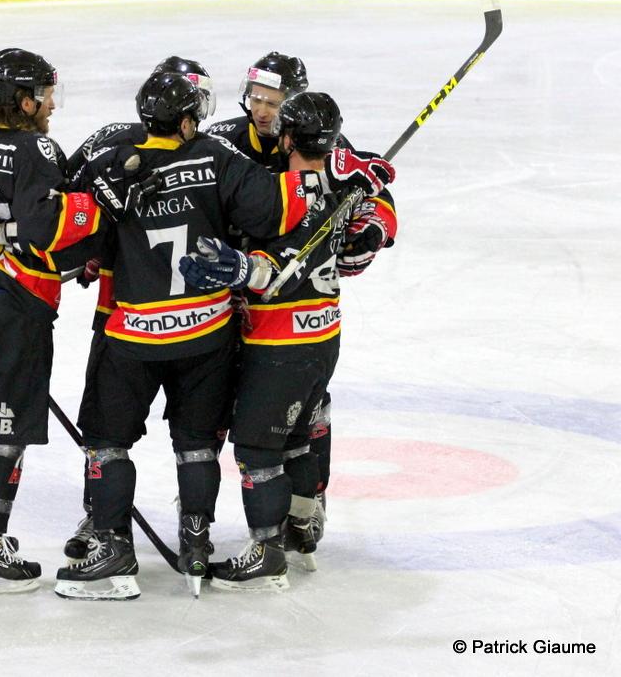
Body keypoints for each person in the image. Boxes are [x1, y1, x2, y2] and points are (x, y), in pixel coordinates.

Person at [54, 73, 392, 600]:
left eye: (273, 102)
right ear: (191, 119)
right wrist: (346, 186)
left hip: (142, 333)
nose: (263, 109)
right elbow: (283, 206)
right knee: (217, 441)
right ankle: (202, 540)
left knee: (111, 441)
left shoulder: (110, 159)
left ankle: (114, 541)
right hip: (222, 332)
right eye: (257, 99)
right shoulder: (221, 153)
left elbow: (62, 237)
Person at [180, 91, 394, 590]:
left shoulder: (284, 195)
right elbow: (348, 257)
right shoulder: (341, 190)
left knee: (257, 447)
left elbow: (273, 275)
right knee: (296, 438)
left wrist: (236, 267)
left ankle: (266, 552)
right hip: (323, 336)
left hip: (280, 343)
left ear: (288, 138)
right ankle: (301, 530)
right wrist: (368, 215)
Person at [0, 48, 105, 594]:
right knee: (4, 435)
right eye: (46, 95)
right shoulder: (37, 149)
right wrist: (87, 231)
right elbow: (49, 226)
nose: (51, 105)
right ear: (25, 101)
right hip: (14, 313)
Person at [60, 56, 216, 561]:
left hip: (125, 315)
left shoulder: (114, 143)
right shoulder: (212, 153)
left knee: (106, 428)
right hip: (178, 316)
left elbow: (64, 202)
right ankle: (168, 526)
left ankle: (105, 524)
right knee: (189, 431)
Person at [204, 52, 307, 173]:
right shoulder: (219, 138)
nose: (261, 113)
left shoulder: (311, 144)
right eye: (256, 100)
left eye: (272, 104)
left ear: (293, 106)